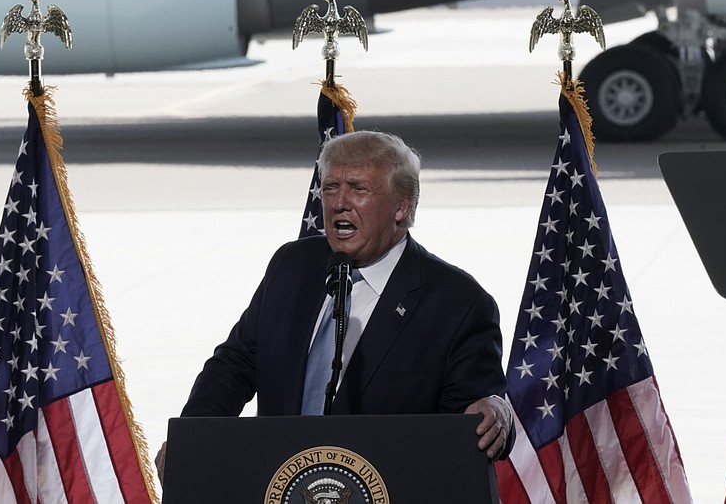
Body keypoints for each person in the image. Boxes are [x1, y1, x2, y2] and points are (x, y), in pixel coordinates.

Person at [156, 130, 513, 478]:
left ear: (401, 206)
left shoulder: (457, 304)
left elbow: (477, 420)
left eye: (358, 189)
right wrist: (193, 437)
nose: (339, 203)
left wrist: (495, 411)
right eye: (330, 188)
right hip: (277, 484)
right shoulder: (292, 266)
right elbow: (235, 364)